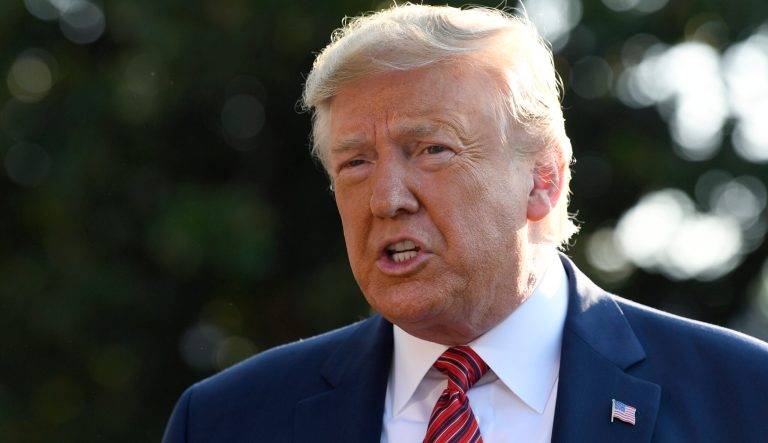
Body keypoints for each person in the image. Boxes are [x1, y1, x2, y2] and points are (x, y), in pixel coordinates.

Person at [162, 4, 768, 442]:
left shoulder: (745, 397)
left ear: (544, 179)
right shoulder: (225, 421)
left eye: (431, 150)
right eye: (355, 162)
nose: (386, 199)